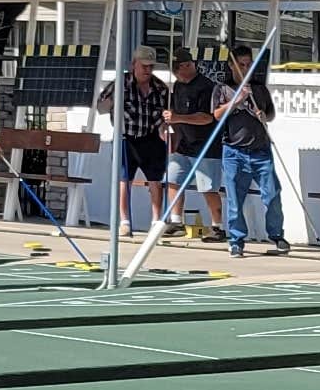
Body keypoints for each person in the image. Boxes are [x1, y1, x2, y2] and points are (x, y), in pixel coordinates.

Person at [216, 50, 287, 257]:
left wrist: (264, 115)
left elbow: (270, 114)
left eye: (249, 64)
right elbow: (217, 114)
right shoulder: (223, 88)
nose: (246, 69)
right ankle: (236, 240)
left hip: (260, 150)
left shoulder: (259, 88)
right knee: (235, 199)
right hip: (234, 151)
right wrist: (238, 100)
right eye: (242, 64)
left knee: (272, 194)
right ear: (232, 65)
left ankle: (276, 235)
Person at [163, 50, 224, 240]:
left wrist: (178, 118)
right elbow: (175, 112)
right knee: (173, 178)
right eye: (175, 69)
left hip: (206, 145)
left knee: (208, 187)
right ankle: (176, 221)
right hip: (184, 144)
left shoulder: (206, 87)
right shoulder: (178, 86)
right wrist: (169, 123)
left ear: (189, 65)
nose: (179, 73)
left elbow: (206, 118)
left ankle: (218, 227)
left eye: (183, 66)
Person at [113, 48, 169, 235]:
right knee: (124, 179)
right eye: (144, 66)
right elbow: (102, 105)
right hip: (127, 138)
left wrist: (164, 128)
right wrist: (114, 111)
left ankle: (156, 221)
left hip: (151, 138)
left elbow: (165, 115)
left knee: (155, 180)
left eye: (150, 66)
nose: (147, 70)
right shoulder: (121, 84)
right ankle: (124, 222)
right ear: (134, 65)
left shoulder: (160, 88)